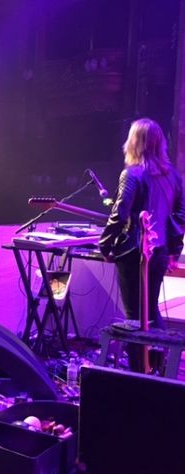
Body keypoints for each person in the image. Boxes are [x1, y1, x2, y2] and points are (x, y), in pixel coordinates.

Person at [99, 117, 185, 372]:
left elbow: (120, 212)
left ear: (134, 142)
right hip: (157, 252)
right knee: (150, 309)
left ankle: (139, 372)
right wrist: (173, 250)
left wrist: (105, 245)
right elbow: (181, 214)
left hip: (133, 252)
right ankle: (157, 367)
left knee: (135, 315)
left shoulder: (132, 174)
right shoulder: (174, 176)